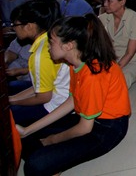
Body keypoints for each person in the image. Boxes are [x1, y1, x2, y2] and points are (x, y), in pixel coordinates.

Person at [16, 15, 130, 176]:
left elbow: (85, 128)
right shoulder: (76, 63)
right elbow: (72, 101)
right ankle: (52, 160)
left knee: (33, 166)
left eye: (51, 42)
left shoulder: (93, 74)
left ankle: (51, 161)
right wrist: (27, 130)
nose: (48, 47)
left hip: (107, 128)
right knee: (25, 133)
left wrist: (51, 140)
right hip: (87, 119)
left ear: (68, 46)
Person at [9, 0, 67, 127]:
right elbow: (40, 86)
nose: (13, 28)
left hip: (56, 104)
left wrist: (14, 102)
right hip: (57, 93)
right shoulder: (47, 39)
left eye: (15, 25)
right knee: (12, 88)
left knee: (10, 114)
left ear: (29, 26)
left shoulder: (40, 54)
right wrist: (12, 99)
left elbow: (44, 97)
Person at [98, 0, 136, 88]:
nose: (105, 4)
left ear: (122, 1)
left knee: (121, 78)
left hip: (134, 60)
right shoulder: (102, 19)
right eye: (104, 0)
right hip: (112, 60)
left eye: (109, 1)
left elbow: (130, 53)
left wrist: (114, 70)